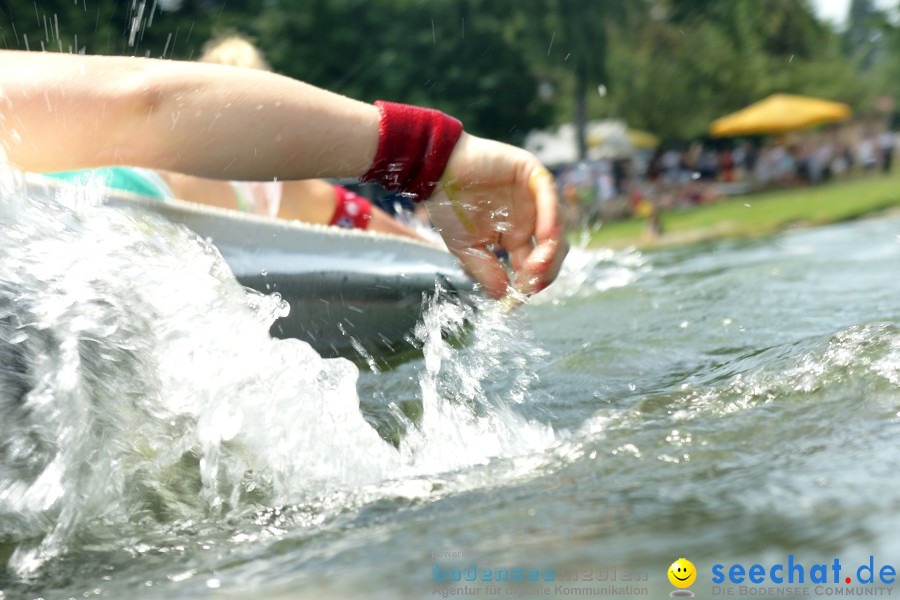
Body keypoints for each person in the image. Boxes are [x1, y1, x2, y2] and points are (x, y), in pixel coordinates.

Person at [0, 50, 566, 299]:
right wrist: (436, 161)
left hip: (60, 221)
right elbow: (145, 106)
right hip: (108, 221)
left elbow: (147, 105)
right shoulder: (292, 186)